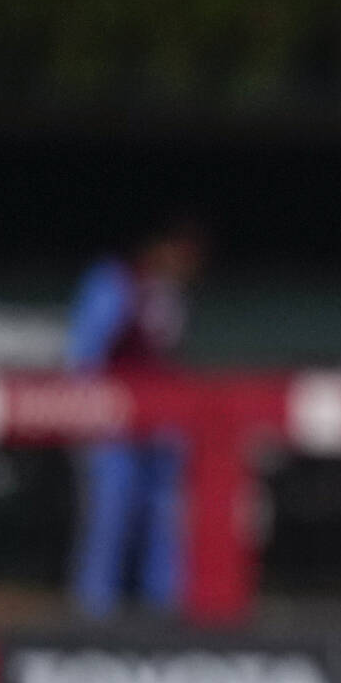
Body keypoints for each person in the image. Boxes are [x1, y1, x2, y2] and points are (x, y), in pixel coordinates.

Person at [66, 217, 205, 618]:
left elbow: (166, 361)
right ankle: (93, 616)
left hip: (157, 426)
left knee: (166, 518)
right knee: (108, 516)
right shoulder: (113, 280)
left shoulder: (174, 294)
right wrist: (89, 419)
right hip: (110, 424)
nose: (187, 263)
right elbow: (84, 359)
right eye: (179, 251)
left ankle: (164, 614)